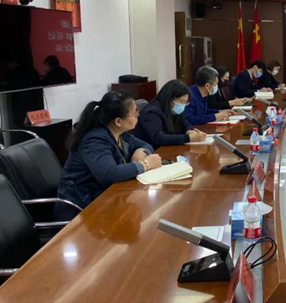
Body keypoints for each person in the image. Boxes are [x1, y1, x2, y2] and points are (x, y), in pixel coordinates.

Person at [55, 91, 162, 220]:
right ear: (118, 121)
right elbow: (109, 174)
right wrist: (145, 164)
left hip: (105, 197)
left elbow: (146, 145)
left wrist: (140, 151)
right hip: (81, 209)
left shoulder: (120, 133)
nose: (138, 116)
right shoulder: (95, 140)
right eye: (134, 113)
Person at [132, 80, 207, 148]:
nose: (182, 105)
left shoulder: (172, 109)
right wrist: (189, 138)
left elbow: (183, 122)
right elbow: (159, 138)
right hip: (151, 151)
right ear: (170, 98)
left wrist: (189, 130)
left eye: (185, 102)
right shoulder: (151, 113)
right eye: (181, 101)